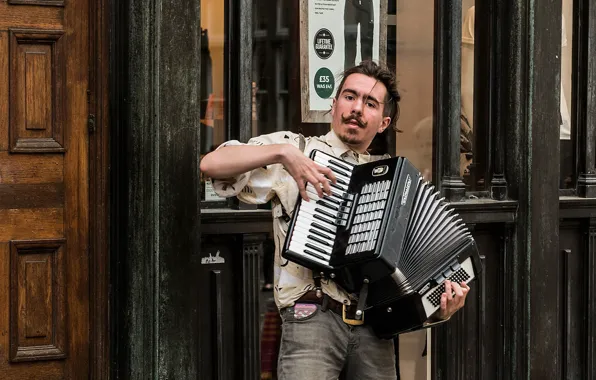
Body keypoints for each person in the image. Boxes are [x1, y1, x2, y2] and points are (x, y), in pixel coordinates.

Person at [200, 60, 471, 380]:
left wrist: (437, 309)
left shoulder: (395, 183)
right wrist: (283, 154)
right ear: (334, 104)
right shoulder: (297, 150)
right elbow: (212, 164)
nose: (357, 107)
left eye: (369, 103)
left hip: (374, 330)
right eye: (350, 96)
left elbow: (406, 280)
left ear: (383, 122)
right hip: (312, 319)